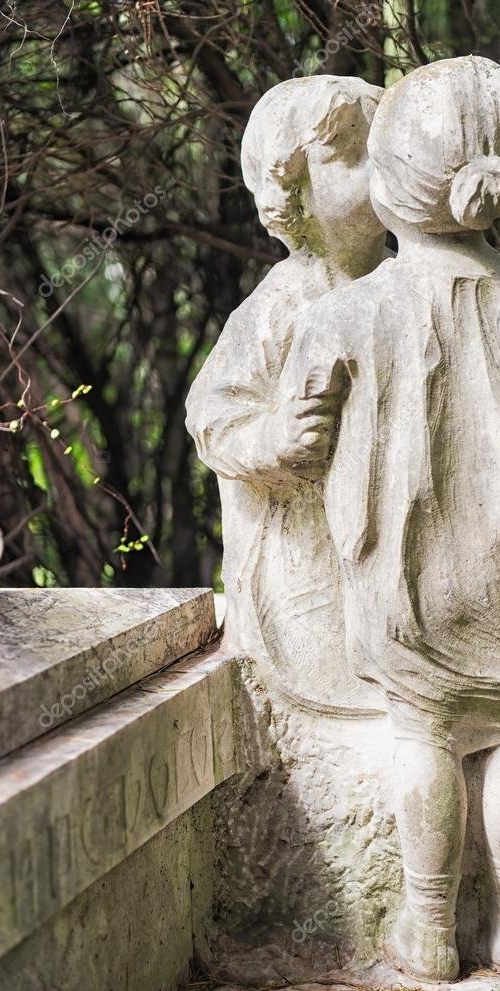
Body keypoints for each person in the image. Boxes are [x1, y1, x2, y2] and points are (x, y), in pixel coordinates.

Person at [283, 56, 500, 980]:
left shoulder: (350, 315)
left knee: (423, 731)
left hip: (406, 572)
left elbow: (298, 444)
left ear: (387, 184)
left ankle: (428, 928)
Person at [185, 75, 388, 715]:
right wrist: (274, 437)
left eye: (385, 150)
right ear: (292, 193)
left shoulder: (409, 286)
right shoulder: (284, 302)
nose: (378, 170)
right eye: (353, 156)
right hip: (308, 570)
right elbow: (212, 415)